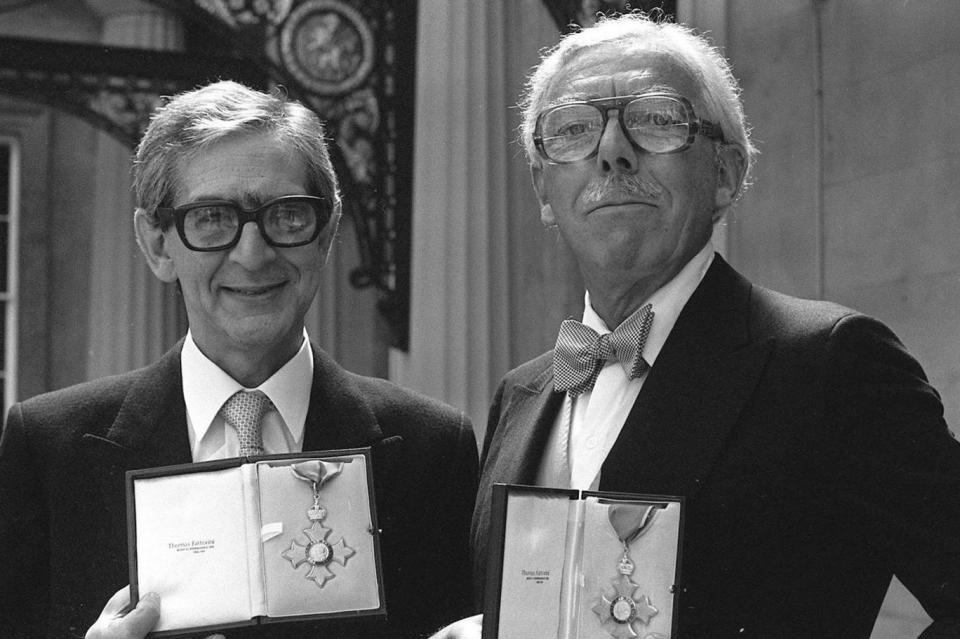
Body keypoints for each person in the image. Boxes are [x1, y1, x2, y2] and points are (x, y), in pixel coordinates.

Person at [436, 12, 960, 639]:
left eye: (656, 120)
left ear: (726, 173)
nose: (611, 151)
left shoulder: (830, 363)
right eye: (573, 129)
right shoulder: (519, 395)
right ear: (544, 191)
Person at [0, 80, 479, 639]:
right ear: (157, 246)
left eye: (287, 215)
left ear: (326, 233)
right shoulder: (48, 447)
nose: (252, 255)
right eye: (211, 218)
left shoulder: (432, 449)